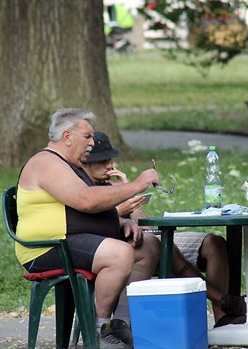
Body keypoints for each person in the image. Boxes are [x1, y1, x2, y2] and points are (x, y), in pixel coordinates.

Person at [15, 108, 160, 349]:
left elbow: (95, 203)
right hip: (48, 246)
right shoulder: (46, 162)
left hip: (73, 240)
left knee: (148, 245)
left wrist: (123, 222)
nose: (93, 143)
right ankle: (98, 331)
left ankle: (119, 326)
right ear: (67, 137)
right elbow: (87, 201)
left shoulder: (73, 165)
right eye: (87, 136)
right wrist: (137, 185)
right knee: (119, 253)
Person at [82, 131, 247, 328]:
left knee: (214, 243)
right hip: (128, 247)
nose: (110, 165)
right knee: (161, 245)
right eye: (102, 161)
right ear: (85, 162)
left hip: (149, 238)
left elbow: (147, 227)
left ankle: (222, 318)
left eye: (110, 159)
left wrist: (127, 193)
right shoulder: (83, 190)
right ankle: (225, 300)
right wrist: (118, 211)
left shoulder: (112, 186)